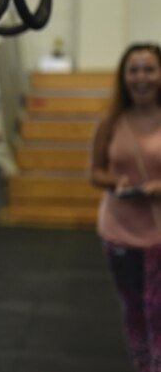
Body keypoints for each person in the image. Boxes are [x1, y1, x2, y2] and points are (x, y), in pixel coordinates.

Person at [88, 43, 161, 372]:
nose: (141, 77)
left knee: (156, 306)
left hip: (159, 232)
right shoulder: (110, 121)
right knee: (134, 306)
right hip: (119, 229)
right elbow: (95, 172)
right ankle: (143, 364)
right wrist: (115, 182)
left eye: (149, 69)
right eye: (134, 70)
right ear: (124, 76)